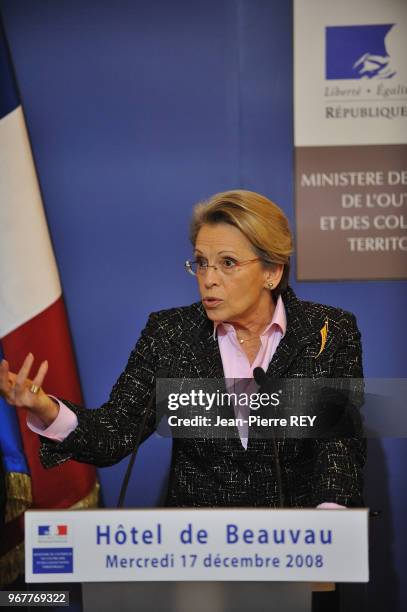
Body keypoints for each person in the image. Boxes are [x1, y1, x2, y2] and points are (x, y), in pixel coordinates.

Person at [0, 190, 365, 508]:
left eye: (228, 263)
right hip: (196, 554)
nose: (208, 278)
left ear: (272, 272)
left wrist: (327, 528)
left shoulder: (327, 333)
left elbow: (339, 446)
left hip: (298, 553)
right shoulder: (170, 333)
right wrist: (45, 408)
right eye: (201, 262)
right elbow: (113, 434)